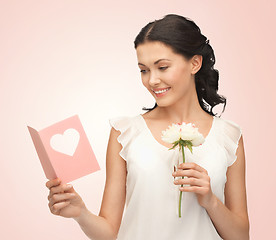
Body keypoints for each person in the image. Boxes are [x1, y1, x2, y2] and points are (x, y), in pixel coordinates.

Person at [46, 14, 250, 239]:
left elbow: (241, 236)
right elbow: (108, 232)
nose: (151, 80)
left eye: (162, 67)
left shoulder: (228, 136)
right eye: (144, 70)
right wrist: (80, 213)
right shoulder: (125, 134)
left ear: (195, 63)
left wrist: (210, 200)